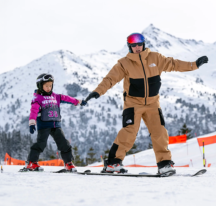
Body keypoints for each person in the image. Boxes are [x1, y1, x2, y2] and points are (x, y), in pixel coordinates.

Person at [81, 33, 209, 174]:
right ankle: (112, 163)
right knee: (129, 133)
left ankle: (164, 164)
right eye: (133, 45)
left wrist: (194, 65)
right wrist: (98, 91)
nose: (137, 47)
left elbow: (174, 64)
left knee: (159, 132)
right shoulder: (124, 63)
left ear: (144, 44)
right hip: (133, 103)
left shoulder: (156, 58)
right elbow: (110, 79)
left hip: (153, 103)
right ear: (129, 46)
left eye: (139, 44)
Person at [20, 73, 80, 172]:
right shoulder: (37, 98)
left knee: (64, 144)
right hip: (44, 125)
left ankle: (68, 163)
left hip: (56, 124)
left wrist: (77, 101)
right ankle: (31, 162)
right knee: (41, 144)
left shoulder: (56, 96)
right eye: (46, 86)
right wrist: (32, 123)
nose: (48, 88)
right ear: (40, 86)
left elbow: (67, 98)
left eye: (50, 85)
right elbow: (34, 111)